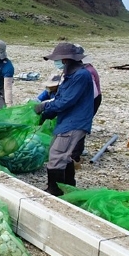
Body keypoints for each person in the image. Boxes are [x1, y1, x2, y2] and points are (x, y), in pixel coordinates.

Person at [32, 42, 95, 196]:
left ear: (66, 60)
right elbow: (61, 97)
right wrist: (48, 108)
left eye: (58, 60)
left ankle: (55, 191)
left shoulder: (80, 75)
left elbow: (66, 101)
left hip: (74, 122)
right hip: (68, 120)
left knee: (57, 156)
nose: (57, 63)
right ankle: (68, 187)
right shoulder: (71, 74)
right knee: (64, 155)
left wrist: (45, 108)